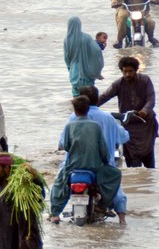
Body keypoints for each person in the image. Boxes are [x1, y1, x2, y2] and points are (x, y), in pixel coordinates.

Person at [50, 96, 124, 224]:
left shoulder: (69, 126)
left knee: (59, 184)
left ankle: (55, 214)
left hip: (72, 167)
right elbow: (103, 149)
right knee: (116, 174)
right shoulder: (95, 126)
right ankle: (102, 205)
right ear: (88, 109)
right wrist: (106, 161)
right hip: (93, 167)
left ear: (75, 110)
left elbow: (66, 146)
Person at [98, 56, 159, 168]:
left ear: (136, 70)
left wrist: (144, 110)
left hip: (146, 124)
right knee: (131, 157)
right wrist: (87, 106)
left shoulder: (145, 80)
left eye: (130, 71)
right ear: (121, 71)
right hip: (128, 124)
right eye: (125, 71)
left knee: (149, 156)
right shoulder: (118, 83)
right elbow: (104, 97)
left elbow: (151, 99)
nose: (127, 74)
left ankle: (148, 180)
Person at [63, 15, 104, 96]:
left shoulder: (66, 40)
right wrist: (96, 71)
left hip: (74, 72)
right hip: (87, 72)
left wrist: (70, 69)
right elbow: (96, 51)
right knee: (88, 97)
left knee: (76, 98)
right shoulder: (87, 38)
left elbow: (66, 58)